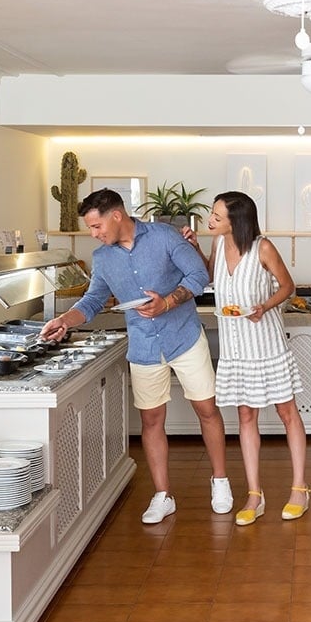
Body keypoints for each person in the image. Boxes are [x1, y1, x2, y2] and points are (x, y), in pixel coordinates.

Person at [40, 188, 233, 524]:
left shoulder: (164, 236)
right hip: (143, 345)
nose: (94, 234)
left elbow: (200, 276)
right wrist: (64, 321)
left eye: (97, 226)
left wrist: (168, 301)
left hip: (184, 337)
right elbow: (92, 301)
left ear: (116, 215)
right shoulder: (103, 259)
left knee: (206, 409)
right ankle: (163, 495)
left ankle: (220, 482)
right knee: (151, 420)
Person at [184, 191, 309, 526]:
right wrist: (195, 247)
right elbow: (211, 277)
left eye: (216, 216)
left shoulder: (263, 248)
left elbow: (287, 286)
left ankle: (299, 488)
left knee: (287, 412)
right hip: (236, 348)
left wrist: (264, 307)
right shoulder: (217, 244)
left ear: (235, 221)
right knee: (245, 416)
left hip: (267, 345)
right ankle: (255, 494)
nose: (210, 219)